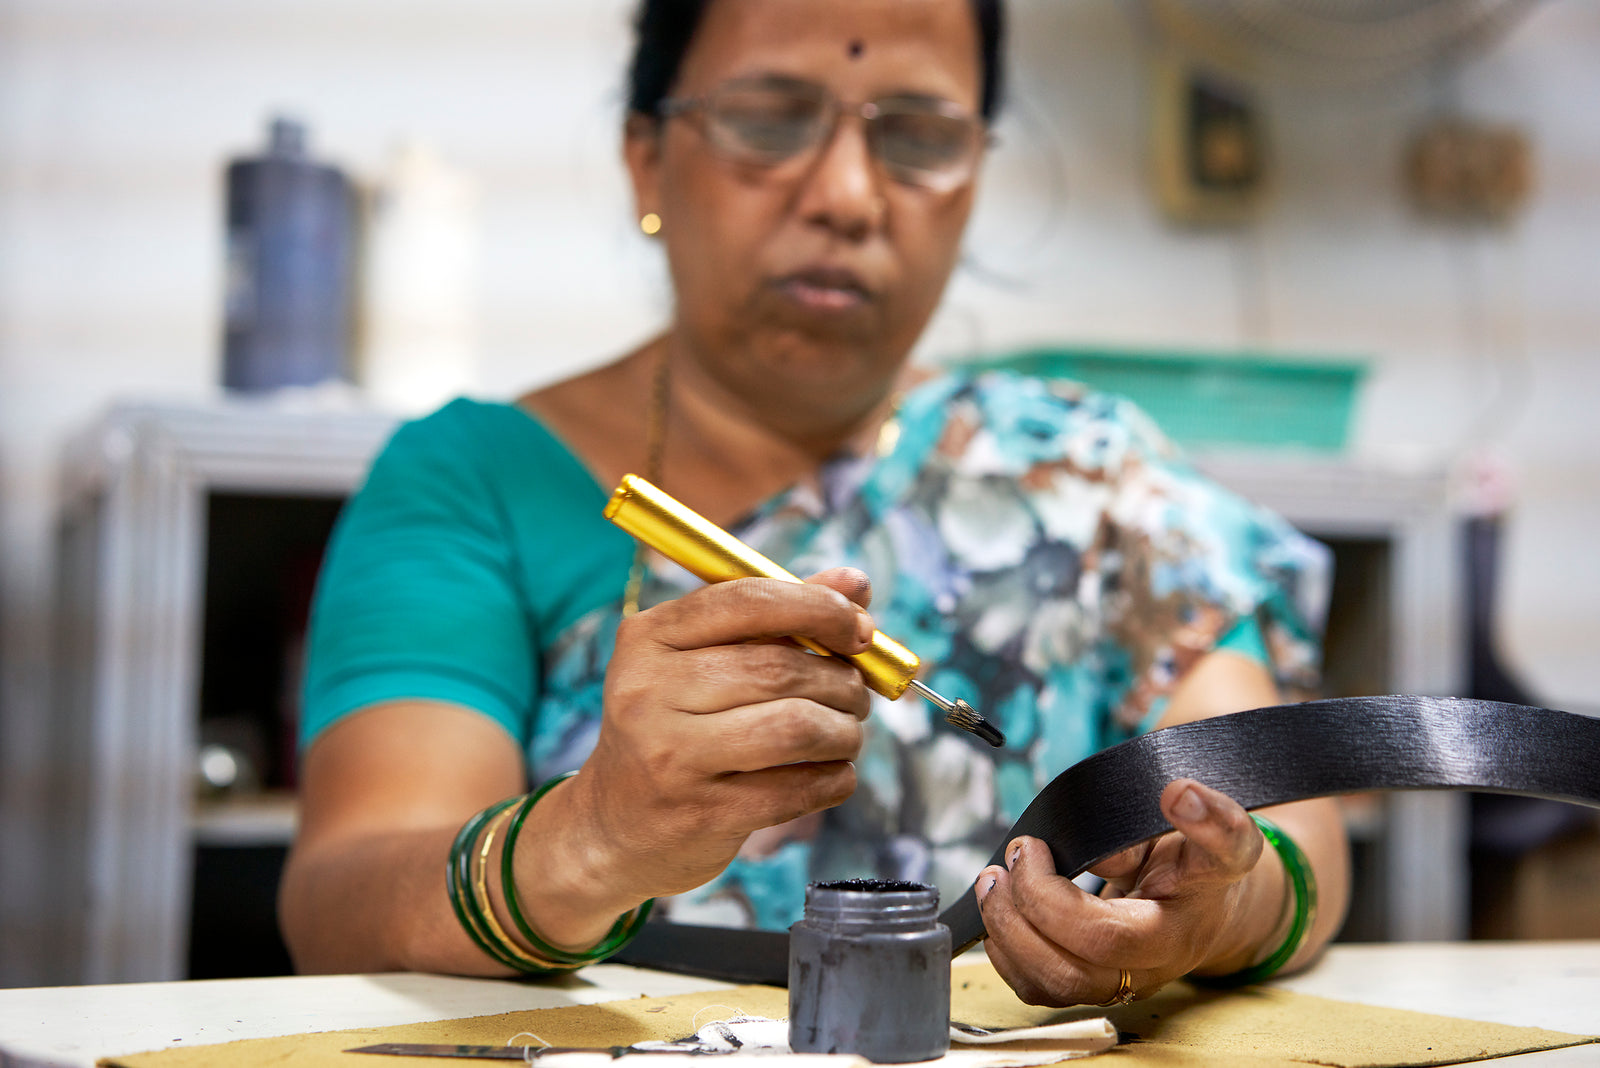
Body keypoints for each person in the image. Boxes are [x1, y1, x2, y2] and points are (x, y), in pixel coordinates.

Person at [279, 0, 1350, 1008]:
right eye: (767, 119)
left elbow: (1291, 830)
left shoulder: (1096, 476)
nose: (845, 195)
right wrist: (589, 839)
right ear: (645, 156)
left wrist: (1214, 911)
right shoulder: (480, 480)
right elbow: (342, 899)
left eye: (920, 135)